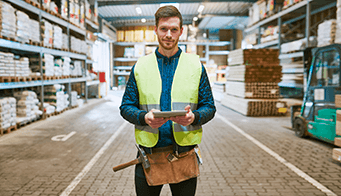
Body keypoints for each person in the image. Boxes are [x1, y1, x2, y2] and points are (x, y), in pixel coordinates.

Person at [120, 5, 216, 196]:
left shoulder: (195, 66)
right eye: (164, 29)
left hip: (183, 154)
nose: (169, 35)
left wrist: (194, 117)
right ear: (155, 30)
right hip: (149, 155)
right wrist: (143, 117)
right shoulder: (141, 66)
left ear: (181, 31)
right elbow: (126, 106)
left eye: (174, 29)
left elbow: (209, 107)